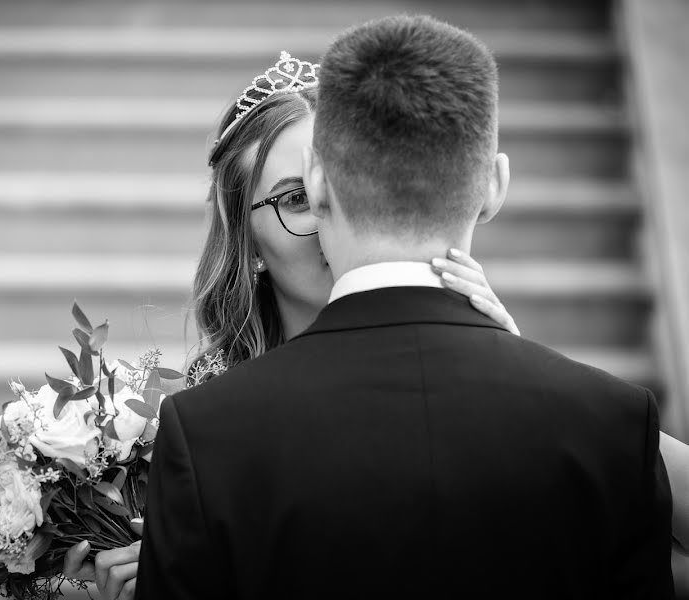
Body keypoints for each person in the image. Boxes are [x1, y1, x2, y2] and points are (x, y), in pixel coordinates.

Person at [131, 15, 674, 599]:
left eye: (337, 182)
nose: (321, 221)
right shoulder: (196, 431)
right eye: (293, 199)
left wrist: (516, 357)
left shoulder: (592, 416)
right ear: (247, 241)